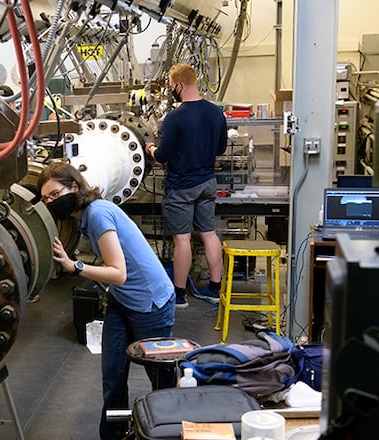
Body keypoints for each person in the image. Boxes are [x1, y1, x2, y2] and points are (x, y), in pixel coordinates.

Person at [38, 162, 175, 440]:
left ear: (74, 187)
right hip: (122, 301)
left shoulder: (98, 213)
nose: (51, 202)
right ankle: (113, 435)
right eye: (45, 199)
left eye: (54, 195)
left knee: (161, 382)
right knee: (113, 377)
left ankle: (169, 431)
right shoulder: (84, 217)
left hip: (150, 304)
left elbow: (118, 273)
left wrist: (74, 266)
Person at [146, 63, 227, 308]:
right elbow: (221, 149)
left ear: (179, 85)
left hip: (181, 187)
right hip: (207, 183)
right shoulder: (216, 113)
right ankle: (215, 288)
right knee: (208, 233)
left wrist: (151, 149)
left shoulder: (175, 118)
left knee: (182, 240)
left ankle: (179, 294)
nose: (172, 90)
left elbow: (163, 155)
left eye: (171, 86)